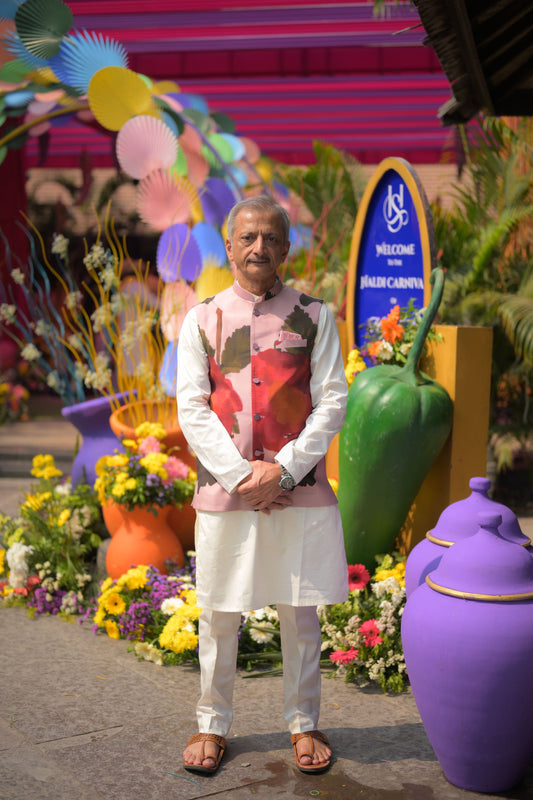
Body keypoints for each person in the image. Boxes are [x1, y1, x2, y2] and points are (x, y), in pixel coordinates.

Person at [177, 195, 348, 776]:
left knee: (301, 611)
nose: (259, 248)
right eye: (247, 238)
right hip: (227, 493)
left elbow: (333, 401)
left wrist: (285, 469)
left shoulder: (315, 316)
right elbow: (191, 409)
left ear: (285, 247)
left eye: (270, 238)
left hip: (298, 489)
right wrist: (242, 476)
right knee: (219, 611)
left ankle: (304, 722)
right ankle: (212, 723)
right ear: (229, 247)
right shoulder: (201, 319)